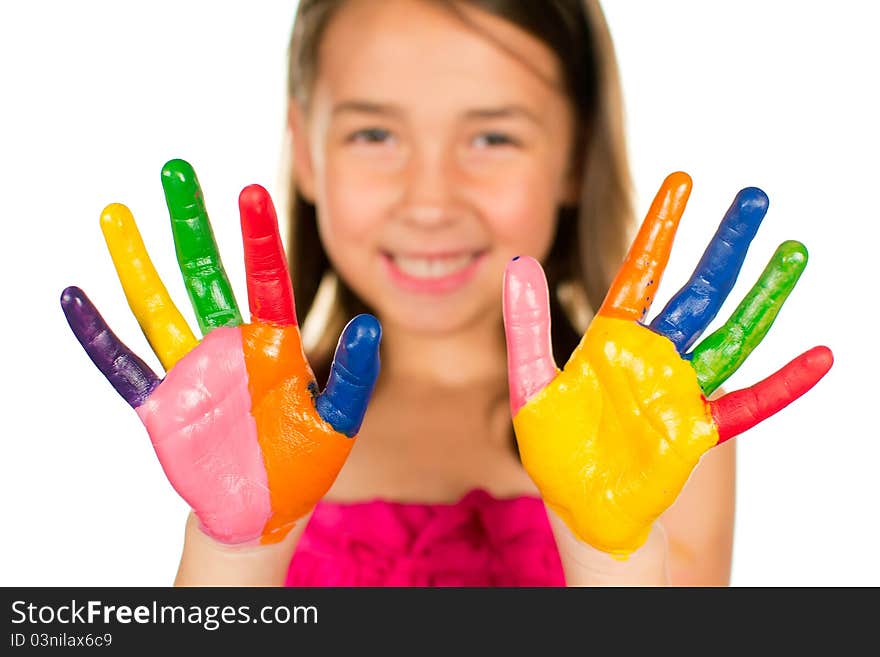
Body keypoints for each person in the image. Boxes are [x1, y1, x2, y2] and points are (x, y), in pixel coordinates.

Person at [60, 0, 831, 587]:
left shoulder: (658, 433)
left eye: (492, 137)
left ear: (575, 155)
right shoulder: (255, 431)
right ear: (302, 148)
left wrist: (611, 548)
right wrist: (232, 547)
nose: (430, 201)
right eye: (374, 134)